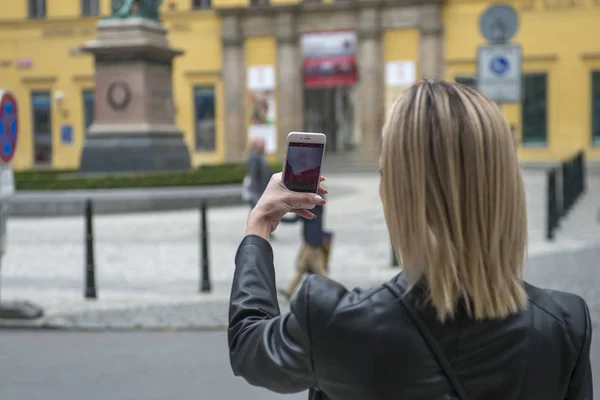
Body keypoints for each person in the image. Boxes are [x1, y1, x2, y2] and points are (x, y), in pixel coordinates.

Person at [228, 80, 592, 399]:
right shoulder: (564, 327)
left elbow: (248, 344)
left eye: (385, 172)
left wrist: (258, 227)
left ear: (399, 191)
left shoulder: (337, 323)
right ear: (504, 185)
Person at [279, 202, 327, 300]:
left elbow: (296, 218)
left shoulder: (314, 203)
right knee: (301, 268)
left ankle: (333, 291)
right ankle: (289, 291)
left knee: (319, 270)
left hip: (312, 242)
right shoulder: (313, 202)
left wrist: (279, 218)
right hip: (309, 241)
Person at [245, 137, 272, 210]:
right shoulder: (254, 157)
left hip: (262, 189)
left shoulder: (260, 156)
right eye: (262, 144)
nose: (264, 146)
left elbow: (267, 171)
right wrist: (254, 190)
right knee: (257, 211)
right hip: (257, 190)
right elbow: (252, 174)